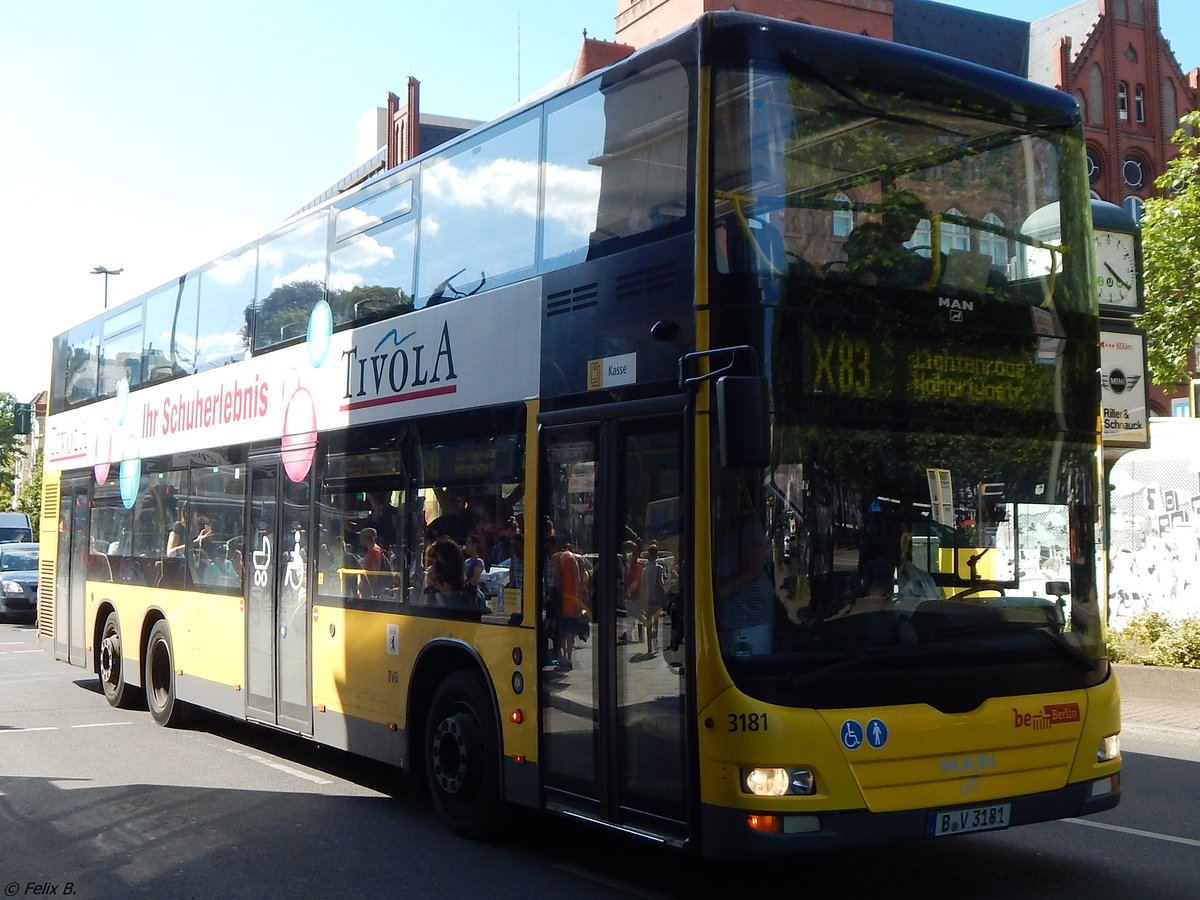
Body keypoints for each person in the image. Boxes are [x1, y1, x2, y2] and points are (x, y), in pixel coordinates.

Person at [715, 471, 775, 657]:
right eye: (723, 493)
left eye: (733, 493)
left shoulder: (749, 525)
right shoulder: (716, 528)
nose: (729, 499)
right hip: (728, 618)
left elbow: (753, 569)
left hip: (750, 619)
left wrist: (719, 592)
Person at [843, 188, 932, 287]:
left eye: (917, 222)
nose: (913, 226)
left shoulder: (912, 259)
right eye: (908, 220)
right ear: (889, 218)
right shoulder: (869, 255)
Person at [356, 526, 384, 599]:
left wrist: (371, 588)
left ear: (367, 538)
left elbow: (376, 571)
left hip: (371, 588)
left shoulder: (375, 551)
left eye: (361, 537)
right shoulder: (370, 550)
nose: (359, 539)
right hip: (367, 585)